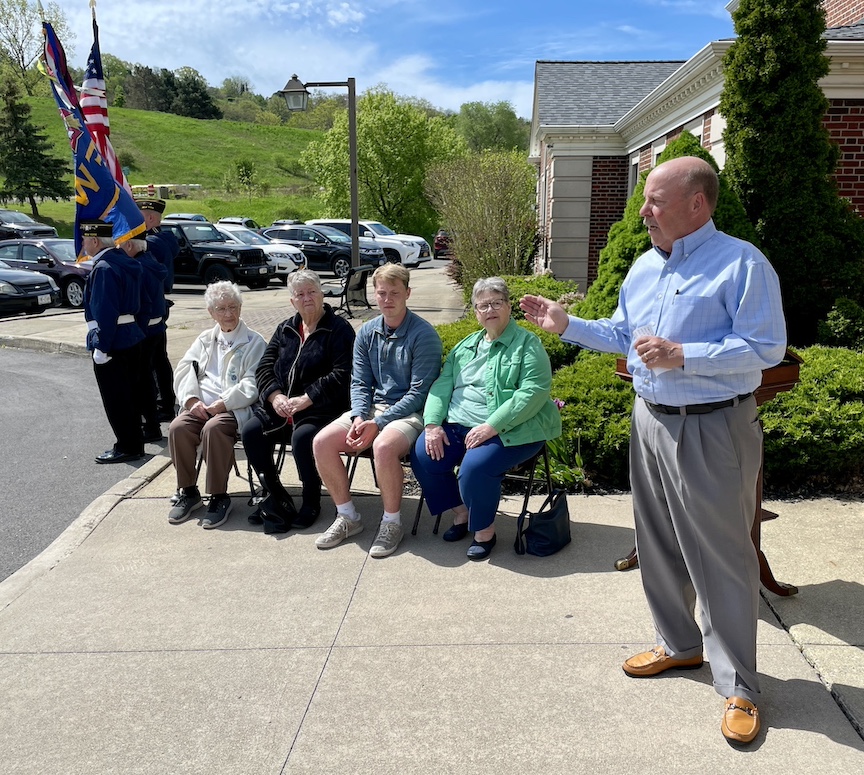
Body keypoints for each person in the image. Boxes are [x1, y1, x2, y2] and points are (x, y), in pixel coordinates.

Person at [520, 156, 787, 745]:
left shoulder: (743, 263)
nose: (643, 211)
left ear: (697, 204)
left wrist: (685, 355)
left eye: (655, 201)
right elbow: (624, 334)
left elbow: (766, 347)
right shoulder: (644, 266)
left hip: (714, 426)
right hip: (650, 419)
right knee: (657, 542)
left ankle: (739, 684)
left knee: (722, 557)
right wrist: (568, 325)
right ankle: (680, 645)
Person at [411, 277, 561, 560]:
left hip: (512, 430)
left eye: (496, 303)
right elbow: (442, 386)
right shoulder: (465, 347)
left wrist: (492, 426)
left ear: (508, 307)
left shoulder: (528, 345)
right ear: (476, 312)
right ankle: (462, 512)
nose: (490, 310)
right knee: (423, 455)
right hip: (458, 425)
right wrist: (431, 425)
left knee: (475, 468)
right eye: (483, 306)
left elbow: (533, 392)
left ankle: (484, 531)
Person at [312, 263, 442, 558]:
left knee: (383, 446)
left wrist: (379, 423)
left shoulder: (424, 335)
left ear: (407, 293)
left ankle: (392, 522)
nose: (387, 299)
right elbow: (360, 382)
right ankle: (348, 517)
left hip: (410, 413)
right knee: (321, 442)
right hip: (371, 409)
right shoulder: (367, 332)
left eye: (394, 293)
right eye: (382, 293)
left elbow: (419, 394)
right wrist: (359, 416)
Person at [242, 269, 355, 535]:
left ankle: (311, 500)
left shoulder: (339, 329)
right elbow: (264, 368)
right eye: (300, 294)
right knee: (251, 431)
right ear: (292, 301)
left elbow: (342, 373)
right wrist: (275, 396)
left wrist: (307, 398)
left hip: (321, 409)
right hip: (281, 408)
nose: (307, 298)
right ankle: (275, 495)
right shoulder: (285, 329)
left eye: (312, 292)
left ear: (322, 294)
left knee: (303, 438)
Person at [167, 281, 266, 529]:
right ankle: (188, 491)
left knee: (214, 429)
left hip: (234, 409)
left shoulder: (254, 342)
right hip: (201, 406)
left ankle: (219, 496)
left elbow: (254, 382)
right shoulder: (204, 339)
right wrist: (191, 400)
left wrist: (225, 403)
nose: (228, 313)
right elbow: (184, 370)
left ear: (240, 308)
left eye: (233, 307)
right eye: (221, 308)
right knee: (178, 427)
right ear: (211, 312)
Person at [82, 220, 147, 464]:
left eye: (85, 240)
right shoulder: (124, 262)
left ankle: (127, 446)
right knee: (131, 396)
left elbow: (105, 311)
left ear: (95, 241)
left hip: (114, 342)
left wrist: (102, 346)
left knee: (116, 399)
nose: (83, 244)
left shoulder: (104, 268)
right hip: (130, 336)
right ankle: (134, 443)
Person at [119, 236, 167, 443]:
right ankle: (152, 423)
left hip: (145, 330)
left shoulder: (139, 266)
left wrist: (137, 330)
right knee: (148, 376)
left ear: (130, 245)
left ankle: (150, 426)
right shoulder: (150, 261)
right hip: (156, 327)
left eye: (121, 245)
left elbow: (142, 303)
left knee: (141, 381)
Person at [137, 198, 179, 421]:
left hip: (151, 306)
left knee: (152, 361)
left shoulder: (152, 243)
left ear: (151, 218)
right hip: (159, 303)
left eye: (139, 216)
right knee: (159, 359)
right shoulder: (163, 238)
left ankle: (161, 403)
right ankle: (165, 402)